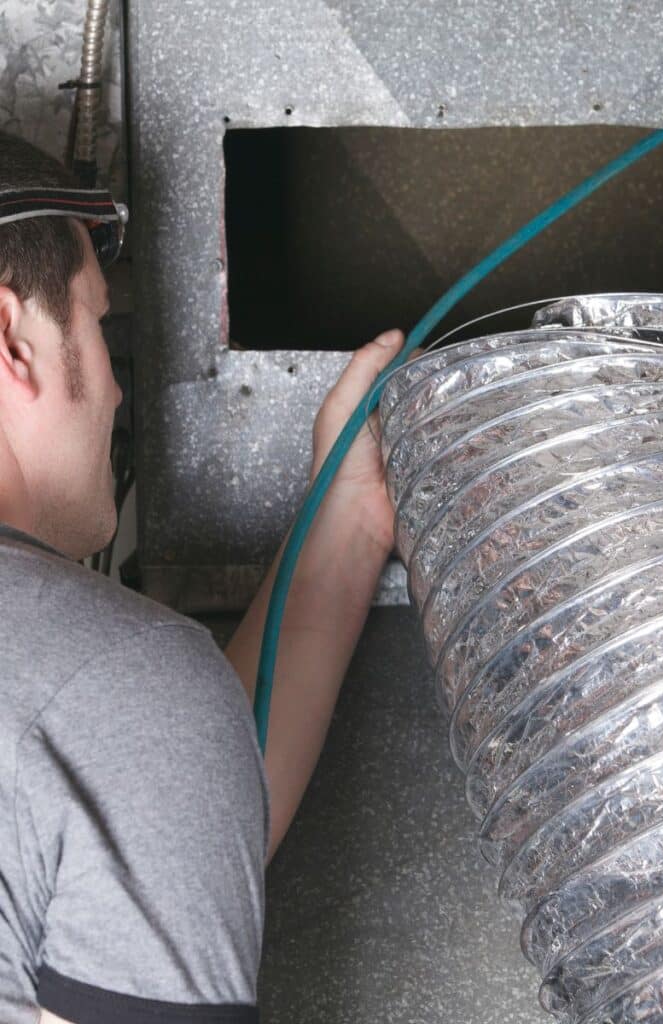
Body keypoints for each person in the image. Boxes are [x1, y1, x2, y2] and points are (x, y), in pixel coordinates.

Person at [0, 131, 401, 1023]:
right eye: (99, 324)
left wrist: (352, 512)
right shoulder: (110, 695)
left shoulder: (105, 711)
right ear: (12, 339)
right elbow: (129, 755)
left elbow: (172, 824)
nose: (113, 393)